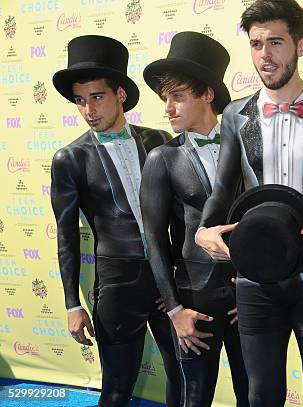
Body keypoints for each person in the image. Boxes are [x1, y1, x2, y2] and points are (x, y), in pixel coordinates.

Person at [194, 0, 303, 405]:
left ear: (301, 45)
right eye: (256, 44)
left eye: (276, 42)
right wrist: (204, 230)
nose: (265, 55)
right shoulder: (236, 115)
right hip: (256, 278)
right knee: (261, 394)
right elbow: (222, 190)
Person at [50, 35, 180, 406]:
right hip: (118, 285)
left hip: (168, 279)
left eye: (97, 96)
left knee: (183, 378)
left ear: (120, 94)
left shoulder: (159, 141)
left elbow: (183, 215)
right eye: (80, 100)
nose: (88, 109)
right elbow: (66, 236)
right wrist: (72, 304)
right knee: (117, 389)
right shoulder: (70, 158)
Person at [140, 31, 248, 407]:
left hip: (245, 298)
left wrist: (257, 288)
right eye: (165, 98)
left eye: (178, 96)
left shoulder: (248, 146)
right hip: (192, 301)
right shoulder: (162, 159)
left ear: (207, 94)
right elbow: (153, 238)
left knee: (254, 395)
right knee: (193, 398)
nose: (168, 108)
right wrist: (174, 310)